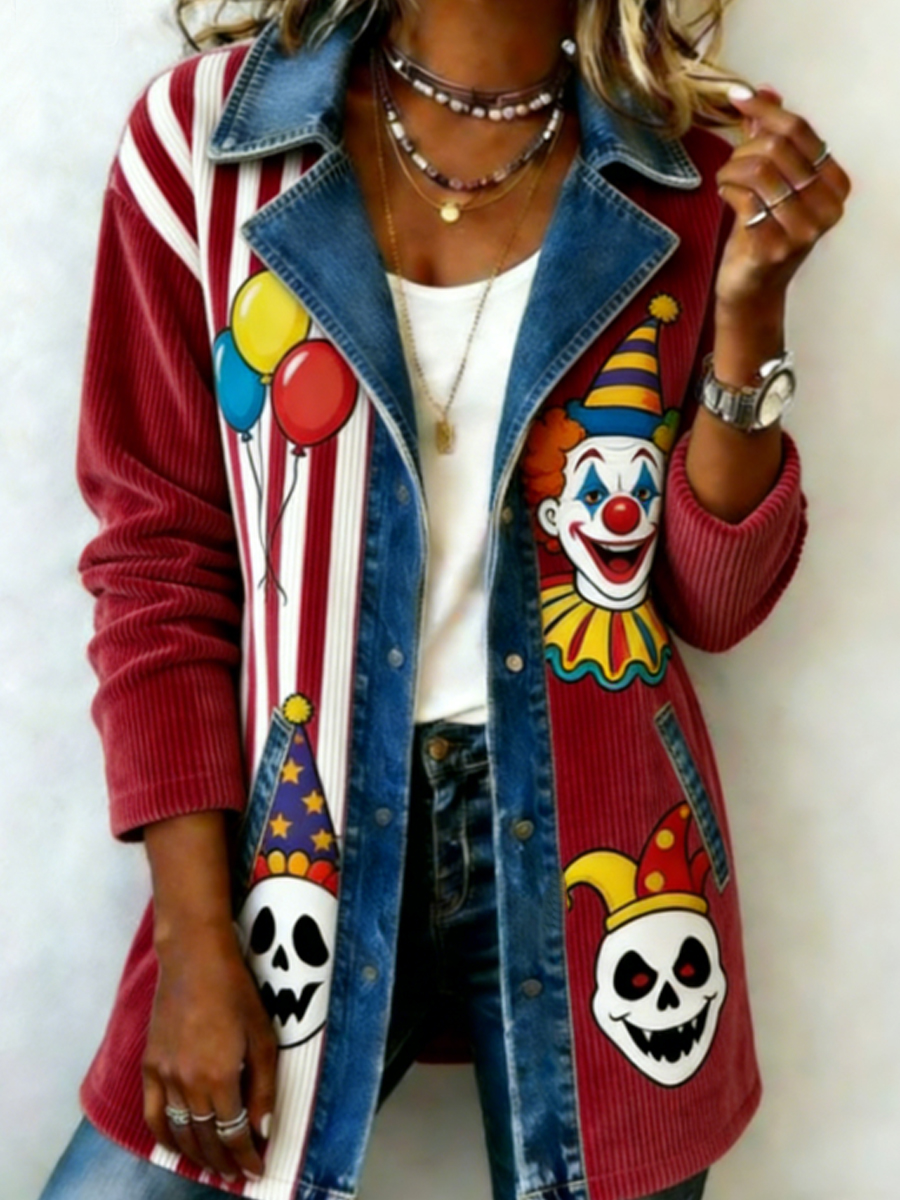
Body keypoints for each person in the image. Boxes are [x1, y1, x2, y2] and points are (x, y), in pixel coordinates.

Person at [40, 1, 849, 1198]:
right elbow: (160, 562)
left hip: (614, 867)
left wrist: (752, 312)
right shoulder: (209, 146)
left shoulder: (690, 172)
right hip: (293, 855)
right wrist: (194, 937)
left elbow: (713, 603)